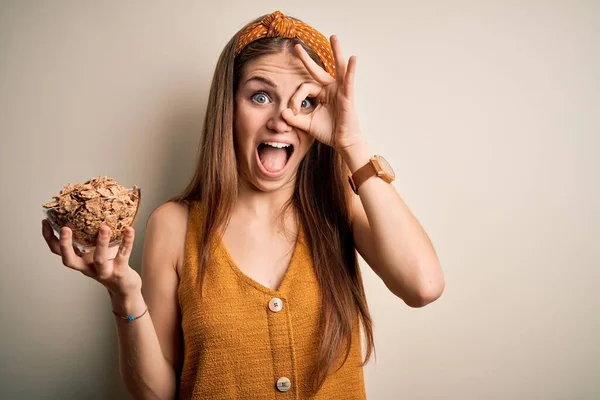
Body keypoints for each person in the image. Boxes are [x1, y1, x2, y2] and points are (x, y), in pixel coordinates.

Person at [42, 10, 444, 400]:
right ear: (229, 107)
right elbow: (157, 392)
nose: (283, 119)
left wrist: (352, 144)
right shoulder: (174, 225)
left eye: (305, 102)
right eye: (261, 95)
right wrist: (124, 295)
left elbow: (423, 287)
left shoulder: (338, 204)